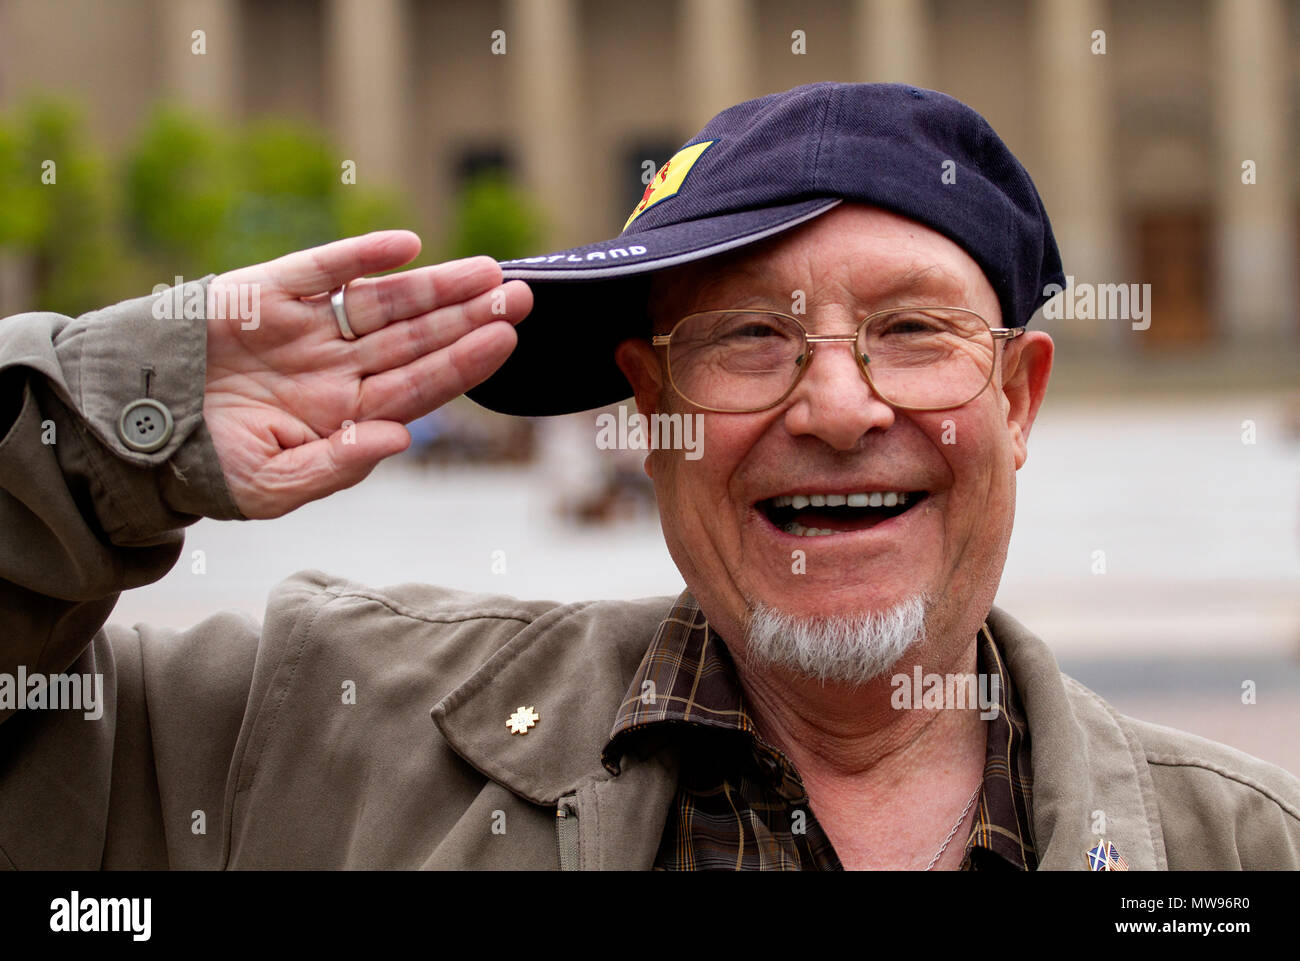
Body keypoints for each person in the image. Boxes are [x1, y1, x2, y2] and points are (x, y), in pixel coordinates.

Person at [1, 82, 1296, 871]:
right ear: (654, 407)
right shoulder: (313, 739)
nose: (839, 408)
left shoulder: (1242, 847)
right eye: (747, 338)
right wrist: (104, 430)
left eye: (912, 330)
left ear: (1018, 400)